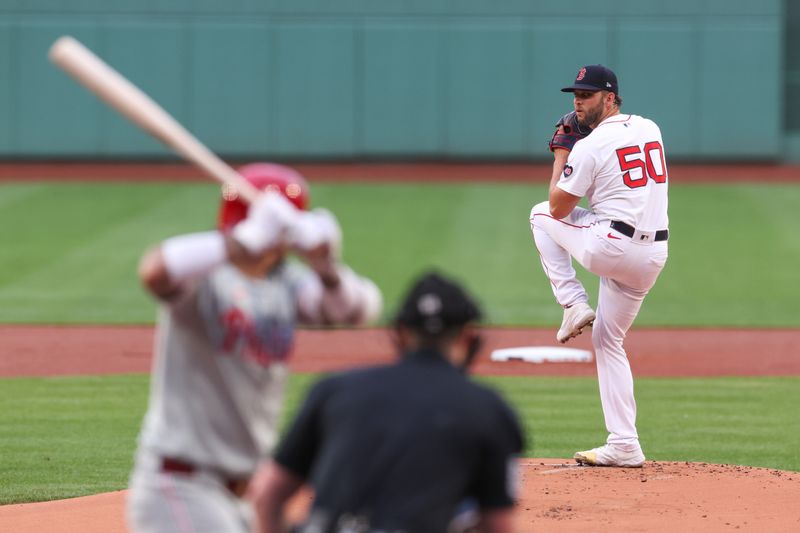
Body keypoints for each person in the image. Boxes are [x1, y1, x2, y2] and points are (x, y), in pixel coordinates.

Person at [126, 163, 383, 533]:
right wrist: (244, 241)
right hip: (181, 484)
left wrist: (327, 267)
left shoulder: (284, 284)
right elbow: (155, 270)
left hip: (241, 490)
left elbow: (357, 310)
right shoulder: (204, 280)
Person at [247, 271, 525, 533]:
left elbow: (267, 494)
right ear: (468, 336)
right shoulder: (489, 409)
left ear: (400, 333)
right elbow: (497, 525)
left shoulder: (332, 389)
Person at [529, 65, 669, 468]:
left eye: (587, 95)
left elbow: (558, 205)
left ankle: (572, 302)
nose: (577, 101)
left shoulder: (588, 148)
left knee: (540, 214)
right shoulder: (649, 128)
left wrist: (561, 153)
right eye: (575, 94)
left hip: (611, 247)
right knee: (608, 340)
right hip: (652, 257)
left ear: (610, 98)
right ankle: (625, 443)